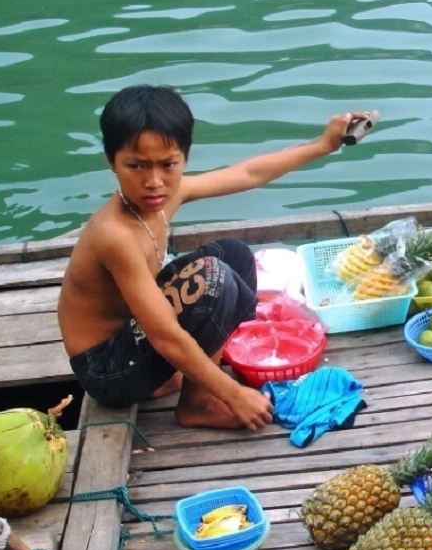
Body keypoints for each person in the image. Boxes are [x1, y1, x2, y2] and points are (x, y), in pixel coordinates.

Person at [58, 84, 372, 430]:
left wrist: (322, 146)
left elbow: (247, 174)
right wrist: (232, 394)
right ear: (111, 162)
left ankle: (177, 378)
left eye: (168, 164)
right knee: (212, 280)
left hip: (133, 342)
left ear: (184, 158)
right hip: (108, 371)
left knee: (234, 255)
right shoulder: (115, 234)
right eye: (136, 166)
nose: (154, 181)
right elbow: (163, 336)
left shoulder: (167, 194)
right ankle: (198, 403)